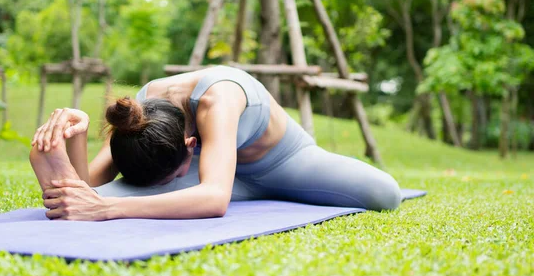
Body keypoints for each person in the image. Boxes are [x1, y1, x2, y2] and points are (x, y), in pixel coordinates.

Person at [29, 65, 401, 221]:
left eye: (167, 178)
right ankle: (211, 185)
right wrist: (74, 136)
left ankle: (236, 186)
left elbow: (214, 200)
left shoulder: (217, 101)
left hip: (281, 164)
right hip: (212, 179)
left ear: (192, 146)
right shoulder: (141, 116)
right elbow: (91, 184)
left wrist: (107, 209)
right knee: (88, 197)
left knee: (385, 194)